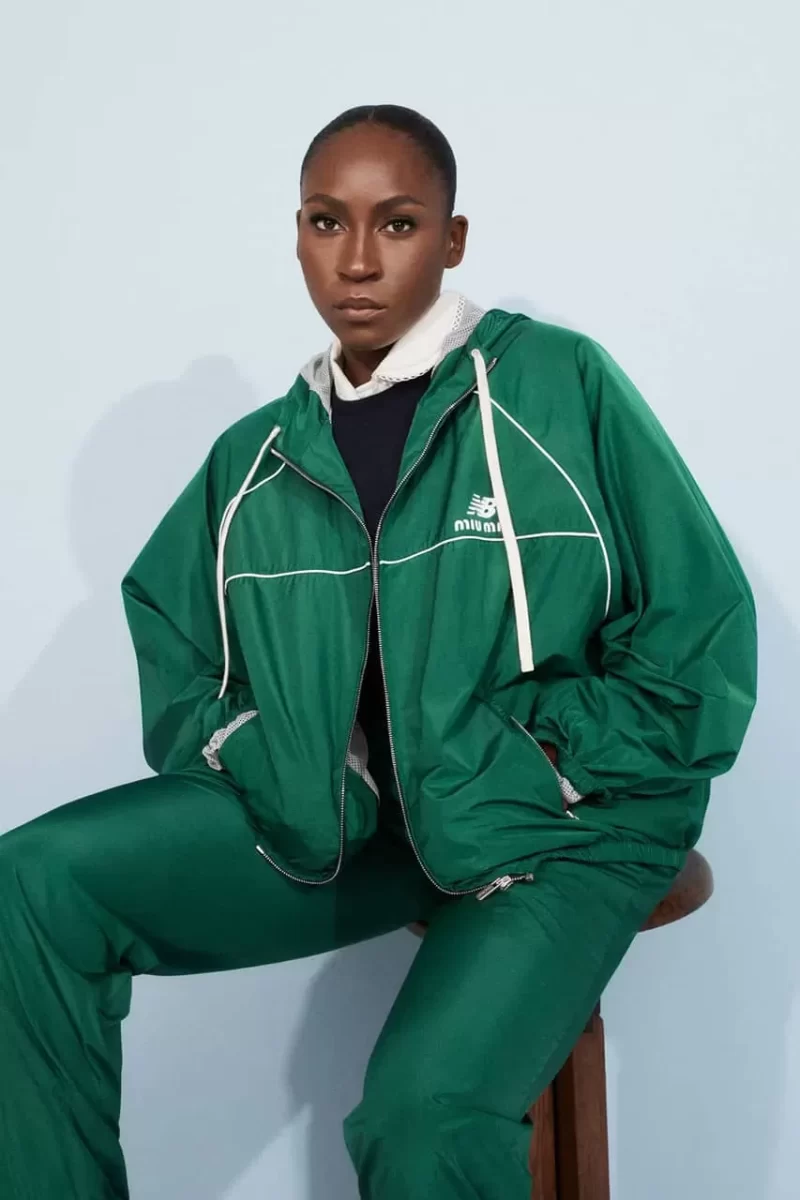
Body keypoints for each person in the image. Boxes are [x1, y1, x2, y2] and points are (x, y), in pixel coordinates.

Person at [0, 103, 757, 1199]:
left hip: (561, 824)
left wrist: (538, 755)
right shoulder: (256, 459)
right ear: (298, 235)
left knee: (420, 1119)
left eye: (396, 223)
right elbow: (184, 667)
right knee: (33, 885)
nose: (356, 260)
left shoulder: (556, 388)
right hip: (355, 826)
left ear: (451, 238)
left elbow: (698, 641)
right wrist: (288, 763)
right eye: (327, 221)